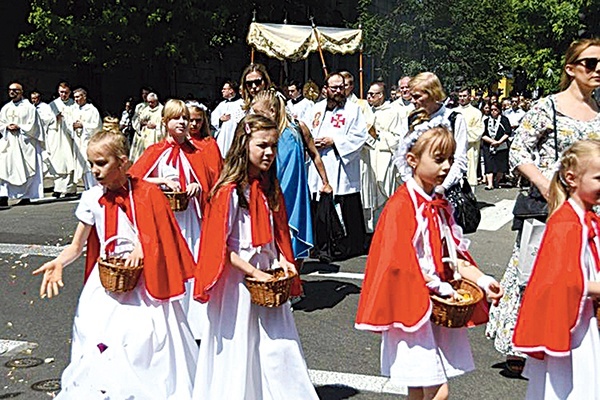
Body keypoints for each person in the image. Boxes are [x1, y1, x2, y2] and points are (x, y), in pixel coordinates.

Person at [32, 118, 197, 398]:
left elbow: (161, 233)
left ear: (123, 162)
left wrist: (142, 247)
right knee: (100, 335)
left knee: (143, 338)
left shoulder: (147, 193)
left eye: (101, 163)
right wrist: (60, 261)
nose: (94, 170)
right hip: (106, 282)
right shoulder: (91, 199)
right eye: (91, 163)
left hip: (144, 282)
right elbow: (77, 245)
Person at [355, 125, 503, 400]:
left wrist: (482, 280)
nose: (446, 166)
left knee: (420, 390)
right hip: (413, 307)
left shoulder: (437, 202)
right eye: (438, 159)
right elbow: (399, 261)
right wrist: (440, 287)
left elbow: (453, 252)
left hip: (434, 306)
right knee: (439, 391)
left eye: (449, 158)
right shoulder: (402, 205)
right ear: (412, 160)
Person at [486, 38, 600, 376]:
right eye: (590, 63)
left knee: (583, 275)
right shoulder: (547, 107)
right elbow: (519, 151)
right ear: (570, 69)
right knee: (533, 273)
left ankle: (576, 339)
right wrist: (545, 185)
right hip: (550, 207)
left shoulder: (599, 112)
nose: (597, 70)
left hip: (591, 208)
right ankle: (522, 342)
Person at [192, 114, 318, 400]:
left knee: (278, 344)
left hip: (267, 276)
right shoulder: (229, 192)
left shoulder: (268, 188)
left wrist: (285, 260)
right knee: (240, 344)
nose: (270, 152)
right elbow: (220, 248)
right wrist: (254, 272)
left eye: (273, 146)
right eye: (262, 145)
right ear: (243, 144)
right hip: (238, 283)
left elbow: (278, 232)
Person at [512, 140, 600, 399]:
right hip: (570, 326)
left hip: (582, 319)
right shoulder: (566, 223)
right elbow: (562, 281)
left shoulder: (585, 218)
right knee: (566, 388)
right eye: (598, 177)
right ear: (572, 178)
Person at [129, 99, 221, 341]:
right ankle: (168, 320)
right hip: (166, 220)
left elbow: (209, 184)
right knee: (168, 263)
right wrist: (162, 182)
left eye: (184, 118)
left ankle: (195, 323)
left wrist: (197, 186)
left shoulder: (196, 151)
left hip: (190, 218)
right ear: (165, 122)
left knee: (193, 262)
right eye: (175, 118)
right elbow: (134, 180)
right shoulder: (155, 151)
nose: (181, 122)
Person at [251, 89, 332, 261]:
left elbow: (314, 154)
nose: (255, 117)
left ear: (272, 111)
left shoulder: (297, 128)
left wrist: (325, 181)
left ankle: (295, 282)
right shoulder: (264, 134)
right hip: (273, 189)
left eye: (259, 112)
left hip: (292, 192)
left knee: (293, 237)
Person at [308, 72, 368, 260]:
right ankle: (321, 246)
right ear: (326, 89)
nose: (337, 91)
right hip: (319, 163)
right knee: (319, 206)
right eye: (333, 88)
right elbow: (306, 130)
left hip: (341, 163)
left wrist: (334, 141)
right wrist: (311, 142)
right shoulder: (315, 109)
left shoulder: (353, 109)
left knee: (344, 205)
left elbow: (359, 136)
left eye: (341, 87)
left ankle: (346, 246)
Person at [400, 72, 469, 195]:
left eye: (417, 97)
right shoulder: (411, 119)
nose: (412, 101)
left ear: (432, 94)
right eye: (411, 96)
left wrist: (443, 187)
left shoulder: (454, 119)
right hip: (417, 190)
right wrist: (411, 183)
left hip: (446, 191)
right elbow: (403, 155)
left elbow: (460, 159)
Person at [339, 70, 378, 234]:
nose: (342, 89)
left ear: (352, 86)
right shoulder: (335, 105)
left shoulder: (361, 105)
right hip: (340, 155)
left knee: (361, 194)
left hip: (358, 155)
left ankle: (365, 231)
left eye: (345, 85)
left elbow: (369, 130)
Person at [0, 81, 43, 207]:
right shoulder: (6, 108)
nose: (12, 92)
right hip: (9, 142)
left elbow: (34, 126)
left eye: (15, 90)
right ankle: (4, 195)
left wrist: (20, 127)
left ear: (21, 92)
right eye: (10, 90)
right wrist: (7, 127)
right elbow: (1, 123)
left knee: (26, 168)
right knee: (5, 168)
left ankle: (27, 195)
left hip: (25, 143)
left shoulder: (29, 107)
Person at [367, 80, 404, 203]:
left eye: (373, 94)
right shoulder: (367, 111)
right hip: (369, 156)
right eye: (368, 94)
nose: (369, 97)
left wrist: (378, 134)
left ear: (381, 95)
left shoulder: (393, 112)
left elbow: (398, 137)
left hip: (385, 156)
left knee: (384, 193)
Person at [48, 82, 77, 198]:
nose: (63, 95)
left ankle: (70, 189)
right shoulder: (52, 105)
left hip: (69, 138)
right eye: (61, 92)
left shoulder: (74, 105)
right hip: (56, 136)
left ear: (69, 92)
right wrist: (55, 118)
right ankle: (58, 188)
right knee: (58, 161)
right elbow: (44, 121)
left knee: (70, 161)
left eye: (65, 92)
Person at [71, 88, 102, 189]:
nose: (76, 99)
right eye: (75, 97)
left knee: (89, 165)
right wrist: (73, 126)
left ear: (84, 97)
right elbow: (68, 124)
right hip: (78, 141)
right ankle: (87, 188)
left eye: (78, 97)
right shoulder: (73, 109)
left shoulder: (92, 110)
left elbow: (96, 126)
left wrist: (83, 125)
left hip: (88, 142)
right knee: (81, 166)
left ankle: (94, 187)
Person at [456, 88, 484, 187]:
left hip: (470, 148)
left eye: (464, 96)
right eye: (460, 96)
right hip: (455, 149)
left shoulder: (476, 112)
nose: (462, 98)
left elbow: (478, 131)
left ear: (469, 97)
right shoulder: (453, 112)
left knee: (469, 175)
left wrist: (462, 133)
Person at [481, 102, 511, 190]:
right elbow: (483, 134)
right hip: (489, 145)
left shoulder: (504, 120)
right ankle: (490, 184)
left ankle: (496, 181)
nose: (493, 112)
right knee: (489, 164)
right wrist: (492, 142)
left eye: (495, 110)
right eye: (492, 110)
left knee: (501, 165)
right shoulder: (486, 121)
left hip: (501, 145)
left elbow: (507, 132)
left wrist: (499, 142)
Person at [211, 80, 244, 157]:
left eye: (224, 89)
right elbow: (213, 118)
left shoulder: (242, 103)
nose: (222, 91)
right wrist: (220, 120)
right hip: (222, 137)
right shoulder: (222, 104)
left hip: (234, 136)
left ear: (231, 90)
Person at [130, 92, 164, 162]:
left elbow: (164, 124)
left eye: (152, 102)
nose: (150, 104)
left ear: (156, 101)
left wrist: (156, 126)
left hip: (156, 138)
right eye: (149, 102)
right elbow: (139, 121)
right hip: (144, 138)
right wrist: (144, 123)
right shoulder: (145, 110)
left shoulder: (162, 110)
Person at [30, 90, 56, 178]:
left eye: (35, 98)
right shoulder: (30, 107)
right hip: (34, 134)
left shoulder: (45, 107)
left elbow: (50, 118)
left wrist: (39, 120)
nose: (33, 100)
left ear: (39, 98)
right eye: (32, 99)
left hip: (43, 133)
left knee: (44, 155)